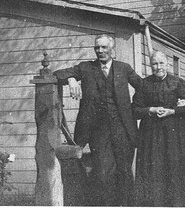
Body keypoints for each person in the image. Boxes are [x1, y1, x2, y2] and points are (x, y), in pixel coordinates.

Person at [53, 34, 141, 206]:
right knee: (102, 173)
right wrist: (71, 79)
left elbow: (143, 87)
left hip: (122, 128)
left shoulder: (124, 68)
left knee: (124, 172)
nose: (100, 51)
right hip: (98, 130)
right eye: (97, 48)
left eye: (104, 47)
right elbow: (57, 74)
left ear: (112, 49)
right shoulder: (86, 68)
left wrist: (135, 106)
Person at [132, 51, 185, 207]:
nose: (158, 67)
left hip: (174, 133)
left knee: (173, 167)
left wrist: (173, 110)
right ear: (150, 65)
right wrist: (151, 109)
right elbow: (135, 109)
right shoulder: (144, 84)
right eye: (154, 63)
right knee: (153, 169)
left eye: (161, 63)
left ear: (167, 64)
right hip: (151, 134)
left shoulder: (178, 83)